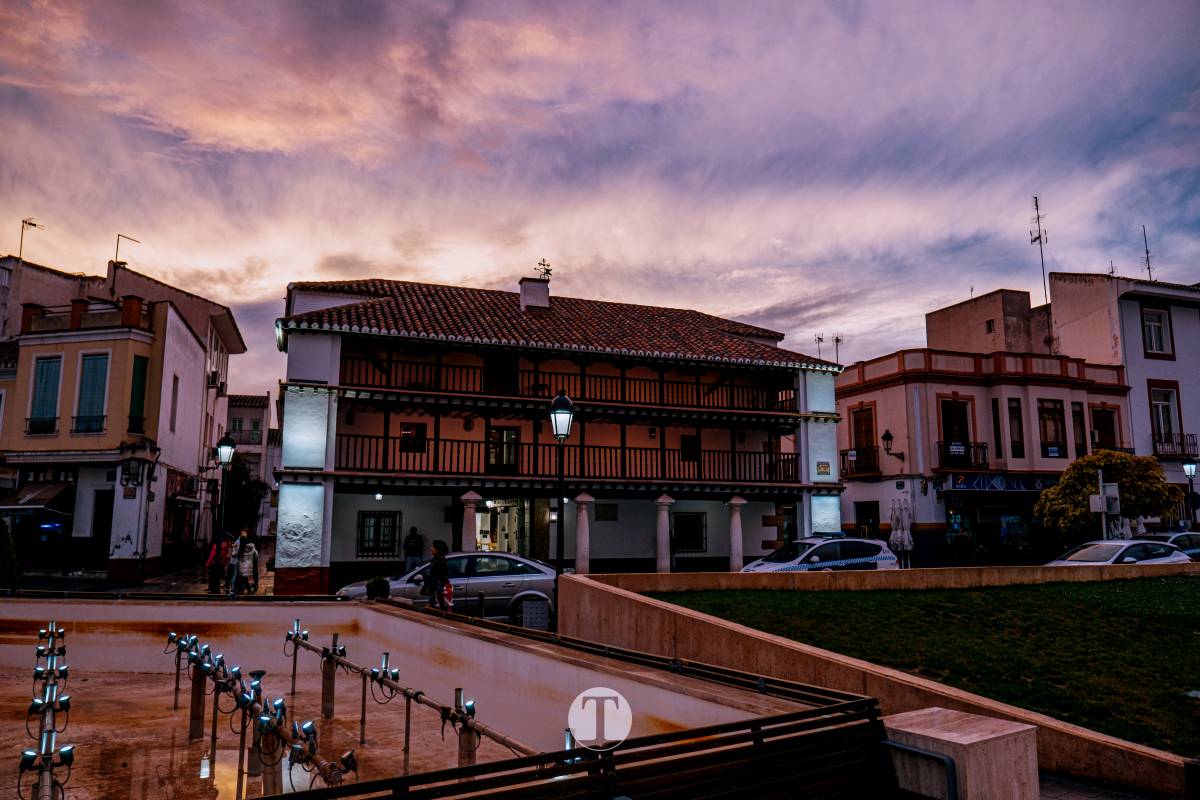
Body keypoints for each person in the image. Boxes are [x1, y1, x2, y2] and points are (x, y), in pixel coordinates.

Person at [229, 530, 258, 598]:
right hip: (249, 565)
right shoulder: (252, 547)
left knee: (240, 578)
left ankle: (241, 590)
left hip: (242, 565)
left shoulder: (241, 548)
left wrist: (233, 550)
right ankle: (244, 590)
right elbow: (256, 555)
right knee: (244, 578)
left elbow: (234, 554)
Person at [426, 539, 450, 611]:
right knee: (442, 609)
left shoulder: (440, 562)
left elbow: (441, 577)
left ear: (437, 549)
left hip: (439, 589)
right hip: (438, 589)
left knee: (430, 608)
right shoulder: (436, 560)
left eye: (433, 547)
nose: (431, 548)